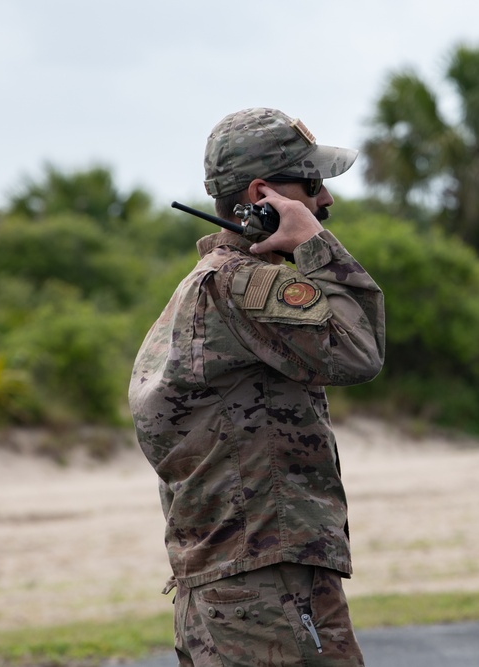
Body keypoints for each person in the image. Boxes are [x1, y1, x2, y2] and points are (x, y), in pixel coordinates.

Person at [128, 107, 385, 666]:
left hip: (227, 587)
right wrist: (317, 245)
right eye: (312, 184)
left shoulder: (205, 284)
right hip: (268, 589)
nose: (325, 201)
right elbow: (361, 349)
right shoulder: (244, 284)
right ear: (263, 194)